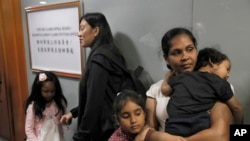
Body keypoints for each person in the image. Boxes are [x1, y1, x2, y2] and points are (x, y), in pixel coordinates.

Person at [145, 27, 234, 141]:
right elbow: (149, 132)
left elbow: (220, 135)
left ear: (196, 51)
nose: (185, 57)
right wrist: (157, 136)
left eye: (190, 49)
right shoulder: (155, 90)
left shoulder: (216, 86)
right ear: (166, 58)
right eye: (176, 52)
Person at [60, 12, 126, 141]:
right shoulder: (110, 52)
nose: (79, 33)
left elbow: (94, 101)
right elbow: (99, 96)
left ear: (96, 31)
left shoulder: (100, 58)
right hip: (113, 126)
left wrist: (82, 134)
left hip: (102, 130)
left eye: (82, 28)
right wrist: (73, 113)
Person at [161, 47, 243, 136]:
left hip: (174, 126)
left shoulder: (183, 76)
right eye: (227, 69)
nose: (228, 75)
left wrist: (167, 78)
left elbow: (165, 90)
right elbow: (237, 108)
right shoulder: (220, 83)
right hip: (200, 124)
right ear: (211, 62)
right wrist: (239, 129)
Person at [24, 71, 67, 141]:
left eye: (52, 91)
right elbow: (28, 129)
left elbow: (64, 121)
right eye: (46, 91)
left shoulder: (59, 103)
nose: (49, 94)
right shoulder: (33, 107)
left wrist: (67, 121)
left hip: (56, 137)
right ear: (38, 90)